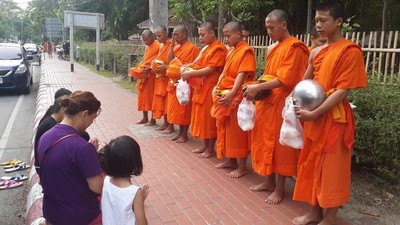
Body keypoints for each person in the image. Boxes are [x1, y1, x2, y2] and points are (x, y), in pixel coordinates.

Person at [292, 2, 367, 225]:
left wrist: (315, 113)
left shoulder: (349, 51)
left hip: (334, 118)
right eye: (317, 21)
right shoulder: (317, 52)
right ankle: (314, 213)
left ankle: (331, 217)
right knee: (312, 163)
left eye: (323, 20)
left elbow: (343, 91)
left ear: (339, 21)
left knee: (332, 168)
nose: (319, 25)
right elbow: (306, 82)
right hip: (313, 115)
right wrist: (297, 102)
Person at [243, 9, 309, 204]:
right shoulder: (275, 47)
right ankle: (268, 181)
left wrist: (258, 87)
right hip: (268, 102)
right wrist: (255, 85)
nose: (269, 31)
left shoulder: (295, 47)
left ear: (284, 25)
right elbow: (270, 74)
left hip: (283, 103)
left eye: (272, 28)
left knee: (282, 147)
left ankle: (280, 189)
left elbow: (285, 79)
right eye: (267, 28)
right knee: (264, 141)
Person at [37, 91, 103, 225]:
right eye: (93, 117)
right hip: (79, 216)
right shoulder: (82, 148)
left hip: (52, 212)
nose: (92, 122)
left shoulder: (46, 136)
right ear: (84, 114)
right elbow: (97, 187)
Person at [211, 21, 255, 178]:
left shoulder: (246, 51)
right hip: (225, 93)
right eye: (225, 36)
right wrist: (217, 86)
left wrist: (232, 93)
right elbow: (224, 72)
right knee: (226, 129)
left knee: (238, 133)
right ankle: (231, 160)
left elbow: (241, 75)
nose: (226, 39)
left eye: (228, 36)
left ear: (238, 34)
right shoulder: (232, 51)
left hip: (237, 97)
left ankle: (242, 166)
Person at [181, 22, 227, 158]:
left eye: (202, 35)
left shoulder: (218, 48)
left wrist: (191, 73)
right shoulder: (207, 48)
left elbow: (211, 69)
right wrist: (187, 66)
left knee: (209, 119)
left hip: (211, 87)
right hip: (201, 86)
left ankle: (210, 148)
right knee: (201, 118)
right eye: (199, 35)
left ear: (212, 33)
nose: (200, 38)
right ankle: (205, 145)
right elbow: (198, 63)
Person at [101, 135, 150, 225]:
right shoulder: (135, 192)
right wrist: (140, 201)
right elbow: (141, 222)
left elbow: (108, 206)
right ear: (134, 161)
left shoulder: (106, 180)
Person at [166, 25, 200, 143]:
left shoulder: (192, 48)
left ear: (184, 35)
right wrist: (171, 45)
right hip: (175, 82)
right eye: (173, 34)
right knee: (176, 109)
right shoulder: (175, 47)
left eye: (177, 35)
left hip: (186, 83)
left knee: (184, 109)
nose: (174, 37)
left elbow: (191, 65)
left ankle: (185, 134)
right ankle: (180, 132)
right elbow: (169, 61)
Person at [136, 30, 160, 126]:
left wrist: (150, 68)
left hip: (152, 75)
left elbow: (159, 60)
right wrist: (139, 66)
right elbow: (145, 59)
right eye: (144, 40)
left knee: (151, 97)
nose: (146, 42)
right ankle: (145, 117)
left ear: (152, 36)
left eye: (147, 39)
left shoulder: (158, 45)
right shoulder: (147, 47)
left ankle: (153, 119)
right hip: (144, 75)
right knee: (143, 97)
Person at [151, 25, 172, 132]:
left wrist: (166, 66)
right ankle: (165, 123)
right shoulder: (161, 46)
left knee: (168, 102)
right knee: (162, 102)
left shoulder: (172, 45)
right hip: (160, 78)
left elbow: (174, 62)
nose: (158, 38)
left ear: (166, 34)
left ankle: (170, 125)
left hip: (167, 78)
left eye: (159, 36)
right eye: (156, 36)